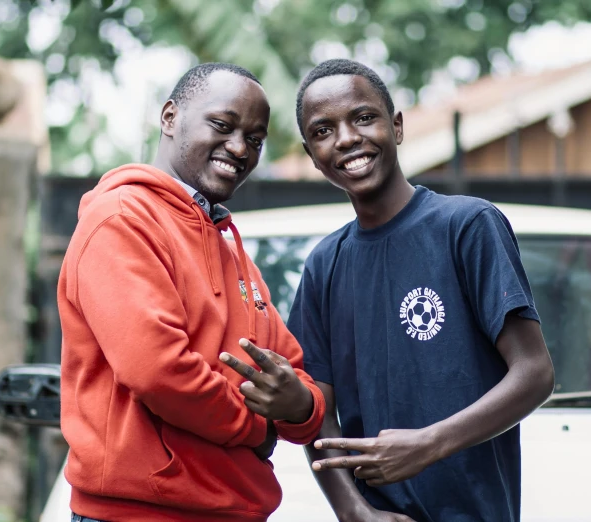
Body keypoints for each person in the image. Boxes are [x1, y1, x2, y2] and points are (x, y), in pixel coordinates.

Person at [288, 58, 555, 522]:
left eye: (363, 117)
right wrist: (354, 512)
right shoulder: (324, 265)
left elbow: (534, 373)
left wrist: (428, 445)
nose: (347, 138)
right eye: (323, 130)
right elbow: (317, 412)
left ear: (396, 126)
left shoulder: (467, 226)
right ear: (313, 155)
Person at [58, 63, 325, 522]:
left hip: (236, 510)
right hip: (141, 514)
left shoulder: (226, 243)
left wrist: (302, 408)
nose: (240, 148)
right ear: (169, 117)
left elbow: (291, 371)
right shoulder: (122, 219)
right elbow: (158, 372)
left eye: (256, 139)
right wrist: (256, 428)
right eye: (222, 125)